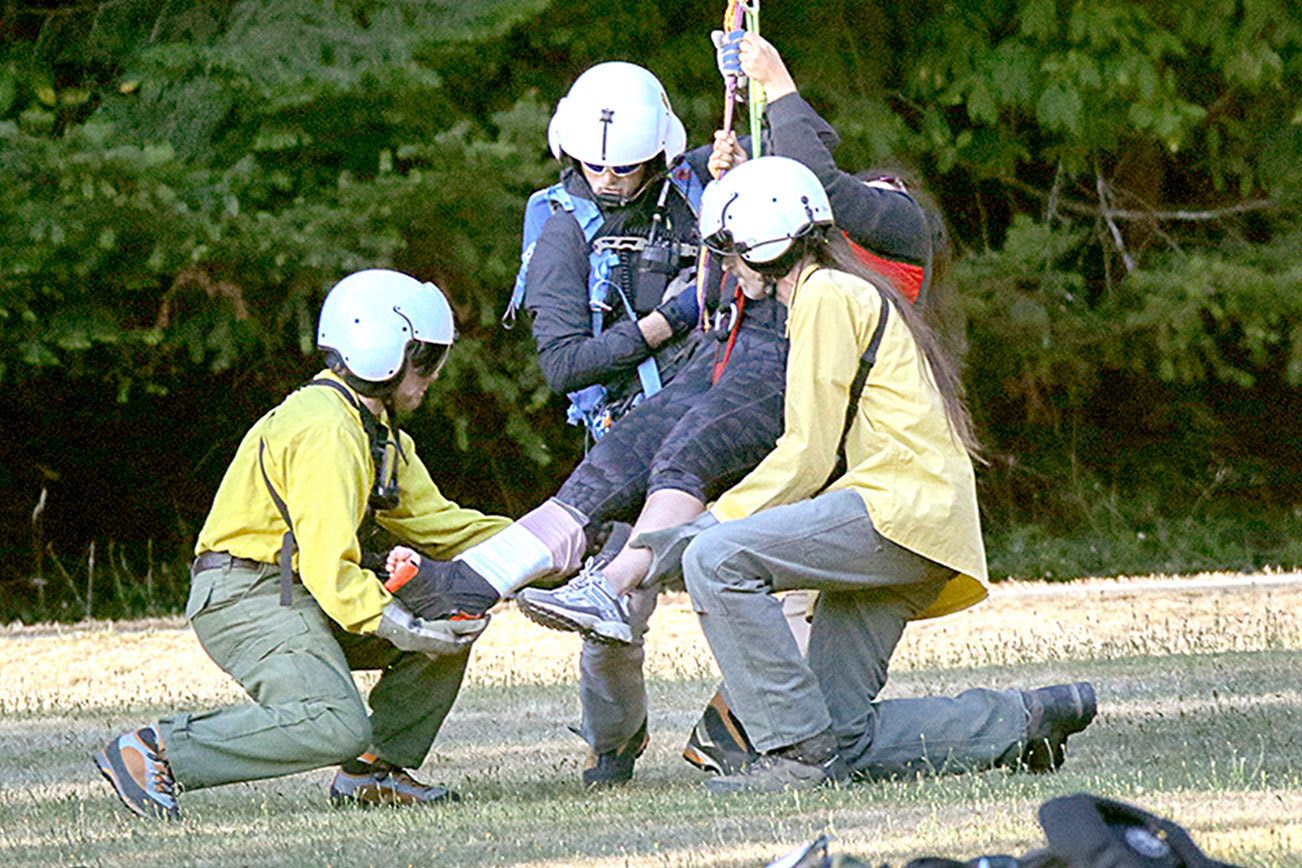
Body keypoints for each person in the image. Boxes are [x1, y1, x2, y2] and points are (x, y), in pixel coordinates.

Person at [523, 156, 1097, 794]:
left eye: (732, 252)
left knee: (715, 559)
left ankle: (793, 756)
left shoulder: (825, 295)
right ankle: (1029, 719)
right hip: (921, 522)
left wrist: (712, 521)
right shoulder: (831, 292)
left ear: (765, 248)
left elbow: (806, 454)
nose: (730, 269)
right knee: (844, 736)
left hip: (898, 513)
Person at [93, 269, 523, 820]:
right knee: (334, 722)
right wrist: (407, 629)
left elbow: (440, 525)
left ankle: (374, 773)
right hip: (246, 595)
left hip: (292, 591)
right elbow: (328, 566)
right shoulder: (327, 430)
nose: (434, 374)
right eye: (428, 358)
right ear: (388, 353)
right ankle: (155, 752)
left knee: (452, 619)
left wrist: (560, 543)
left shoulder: (376, 432)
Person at [509, 61, 714, 442]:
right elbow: (562, 366)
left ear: (655, 156)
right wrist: (676, 315)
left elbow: (814, 143)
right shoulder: (563, 235)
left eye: (624, 167)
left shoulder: (696, 179)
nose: (607, 180)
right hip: (641, 422)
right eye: (594, 165)